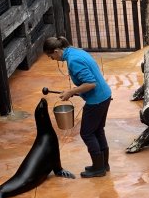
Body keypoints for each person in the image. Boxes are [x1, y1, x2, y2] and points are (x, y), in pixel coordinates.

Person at [43, 35, 112, 178]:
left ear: (56, 51)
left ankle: (98, 169)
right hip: (104, 95)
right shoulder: (75, 51)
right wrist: (73, 92)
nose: (52, 59)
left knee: (87, 133)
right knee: (98, 130)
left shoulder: (73, 61)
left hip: (97, 100)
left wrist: (72, 91)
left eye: (51, 56)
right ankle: (103, 164)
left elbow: (90, 83)